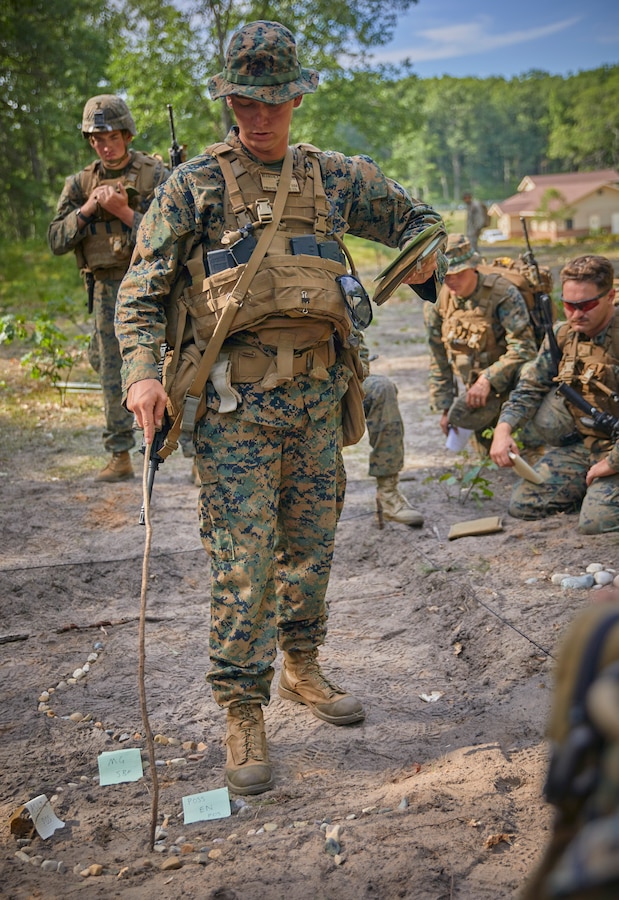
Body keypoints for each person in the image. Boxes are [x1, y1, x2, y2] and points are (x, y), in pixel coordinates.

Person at [115, 20, 444, 796]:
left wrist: (424, 261)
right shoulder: (192, 185)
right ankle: (241, 707)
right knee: (243, 564)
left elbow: (418, 222)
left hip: (319, 401)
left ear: (296, 98)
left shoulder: (332, 177)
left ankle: (301, 664)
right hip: (235, 414)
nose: (258, 118)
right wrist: (140, 375)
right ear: (227, 100)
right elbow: (140, 292)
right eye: (243, 103)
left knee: (310, 547)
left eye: (273, 102)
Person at [48, 95, 168, 482]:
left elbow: (173, 234)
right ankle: (120, 455)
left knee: (171, 365)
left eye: (111, 136)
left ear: (127, 134)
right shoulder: (80, 183)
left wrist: (124, 212)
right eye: (96, 139)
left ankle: (193, 452)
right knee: (109, 370)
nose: (104, 145)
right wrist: (86, 212)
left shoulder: (154, 175)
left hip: (154, 285)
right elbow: (55, 240)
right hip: (104, 289)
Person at [490, 255, 619, 534]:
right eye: (569, 305)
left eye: (586, 305)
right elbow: (530, 386)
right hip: (587, 444)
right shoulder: (563, 335)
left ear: (611, 296)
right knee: (524, 504)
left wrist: (611, 464)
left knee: (596, 524)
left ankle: (600, 497)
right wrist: (504, 429)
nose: (575, 314)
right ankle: (595, 493)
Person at [424, 233, 538, 451]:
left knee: (525, 449)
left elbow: (525, 348)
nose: (451, 280)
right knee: (486, 456)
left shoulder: (503, 294)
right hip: (474, 393)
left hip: (508, 384)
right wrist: (446, 408)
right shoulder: (438, 302)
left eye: (458, 272)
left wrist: (487, 379)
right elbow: (437, 358)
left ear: (473, 266)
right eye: (445, 274)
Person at [363, 373, 424, 526]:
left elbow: (359, 353)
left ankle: (388, 496)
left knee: (381, 387)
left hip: (332, 378)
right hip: (296, 388)